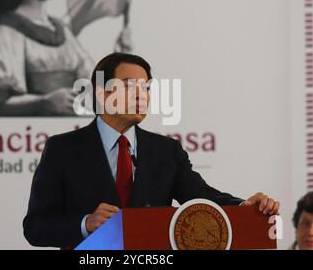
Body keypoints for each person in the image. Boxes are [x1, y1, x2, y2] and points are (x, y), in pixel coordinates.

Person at [23, 52, 280, 248]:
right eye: (129, 86)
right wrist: (86, 223)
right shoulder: (63, 149)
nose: (141, 95)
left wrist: (243, 206)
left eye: (146, 88)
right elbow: (35, 227)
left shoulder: (166, 151)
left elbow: (201, 198)